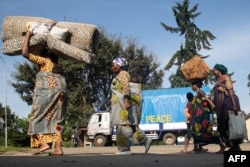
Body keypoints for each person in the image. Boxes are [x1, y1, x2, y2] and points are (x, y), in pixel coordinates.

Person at [22, 30, 67, 156]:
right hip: (62, 89)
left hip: (48, 90)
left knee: (37, 116)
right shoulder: (57, 66)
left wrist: (27, 36)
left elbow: (24, 53)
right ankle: (58, 149)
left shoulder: (45, 61)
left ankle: (43, 143)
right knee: (57, 119)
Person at [110, 56, 151, 155]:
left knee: (122, 126)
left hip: (122, 105)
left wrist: (126, 100)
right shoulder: (120, 74)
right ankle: (144, 139)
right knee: (129, 125)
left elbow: (125, 86)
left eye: (113, 64)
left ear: (119, 65)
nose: (112, 67)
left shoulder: (122, 73)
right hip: (120, 105)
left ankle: (125, 149)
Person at [212, 64, 242, 151]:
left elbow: (230, 90)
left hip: (228, 104)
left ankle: (236, 147)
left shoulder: (226, 77)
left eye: (215, 70)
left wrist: (234, 105)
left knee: (230, 124)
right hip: (220, 106)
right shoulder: (218, 80)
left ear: (219, 71)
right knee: (223, 125)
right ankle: (233, 146)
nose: (213, 71)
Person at [190, 80, 225, 153]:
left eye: (192, 85)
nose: (191, 87)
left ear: (195, 85)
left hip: (203, 117)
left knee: (208, 132)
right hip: (199, 118)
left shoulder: (200, 92)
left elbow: (207, 98)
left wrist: (213, 105)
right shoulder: (197, 93)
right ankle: (198, 148)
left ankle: (222, 145)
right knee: (198, 132)